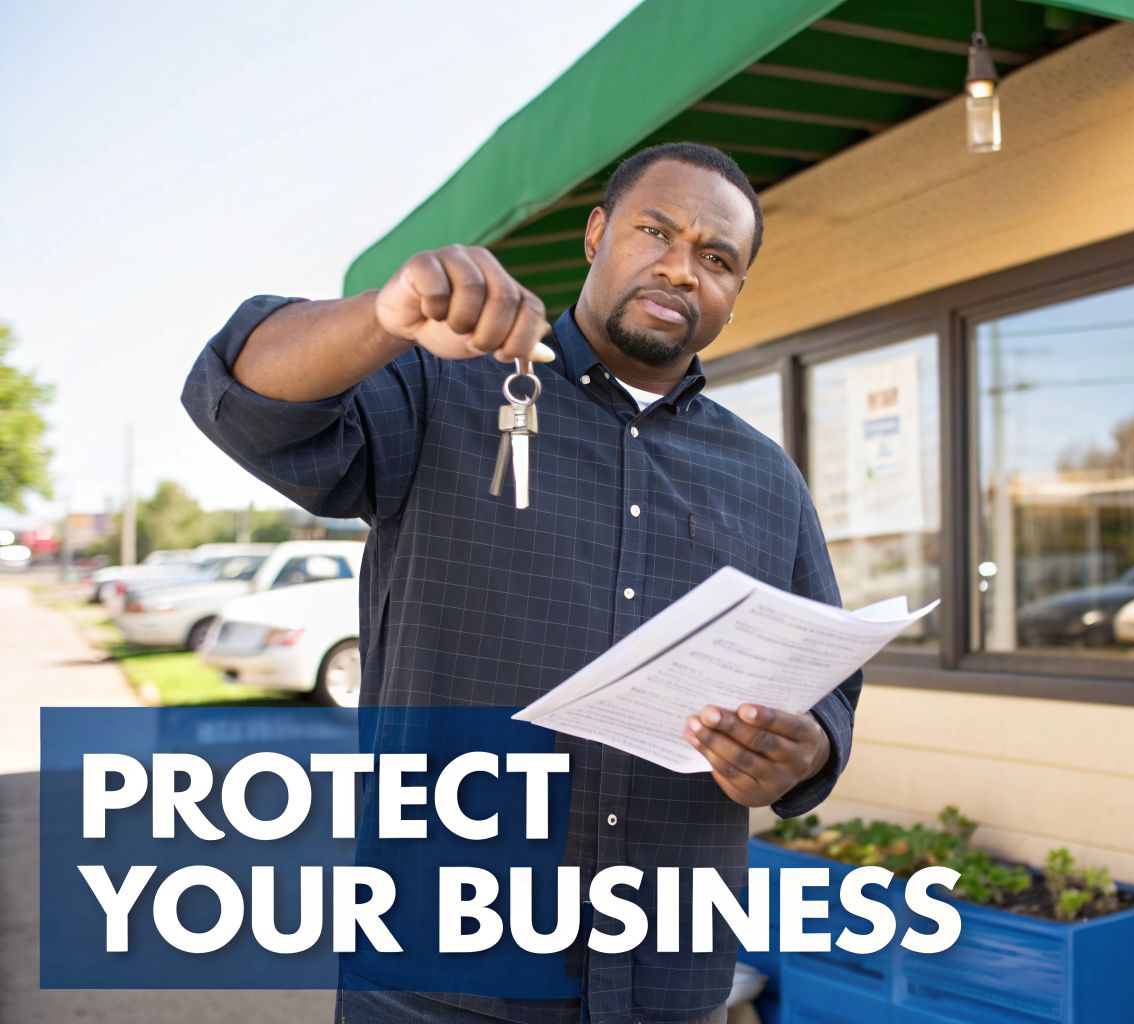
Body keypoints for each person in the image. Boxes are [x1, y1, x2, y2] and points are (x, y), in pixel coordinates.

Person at [182, 142, 860, 1024]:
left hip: (664, 980)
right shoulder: (443, 382)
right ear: (597, 234)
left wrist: (805, 751)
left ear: (736, 291)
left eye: (717, 258)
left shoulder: (766, 478)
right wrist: (384, 316)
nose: (680, 268)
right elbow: (245, 399)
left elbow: (826, 684)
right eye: (656, 231)